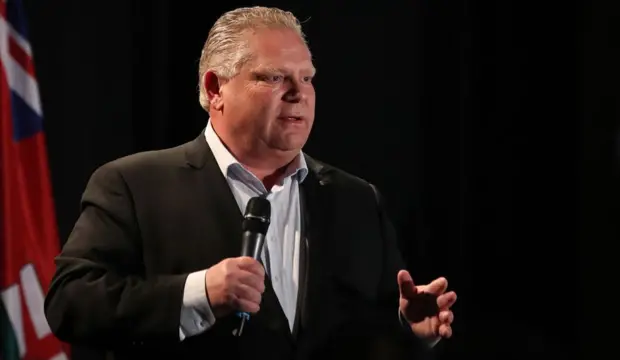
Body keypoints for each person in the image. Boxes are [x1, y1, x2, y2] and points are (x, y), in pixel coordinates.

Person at [43, 6, 457, 360]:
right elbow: (70, 302)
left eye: (308, 78)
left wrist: (406, 327)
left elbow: (367, 331)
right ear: (215, 87)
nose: (299, 94)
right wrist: (199, 293)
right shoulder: (134, 185)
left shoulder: (356, 199)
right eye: (275, 78)